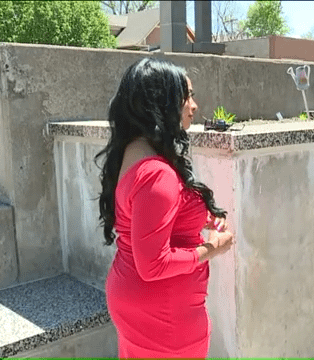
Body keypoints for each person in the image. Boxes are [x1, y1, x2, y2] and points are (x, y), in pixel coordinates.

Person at [95, 57, 234, 358]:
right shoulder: (157, 173)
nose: (194, 107)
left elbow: (150, 215)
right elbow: (153, 264)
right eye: (186, 97)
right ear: (160, 104)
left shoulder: (133, 150)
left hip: (138, 300)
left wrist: (201, 215)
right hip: (164, 315)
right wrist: (213, 248)